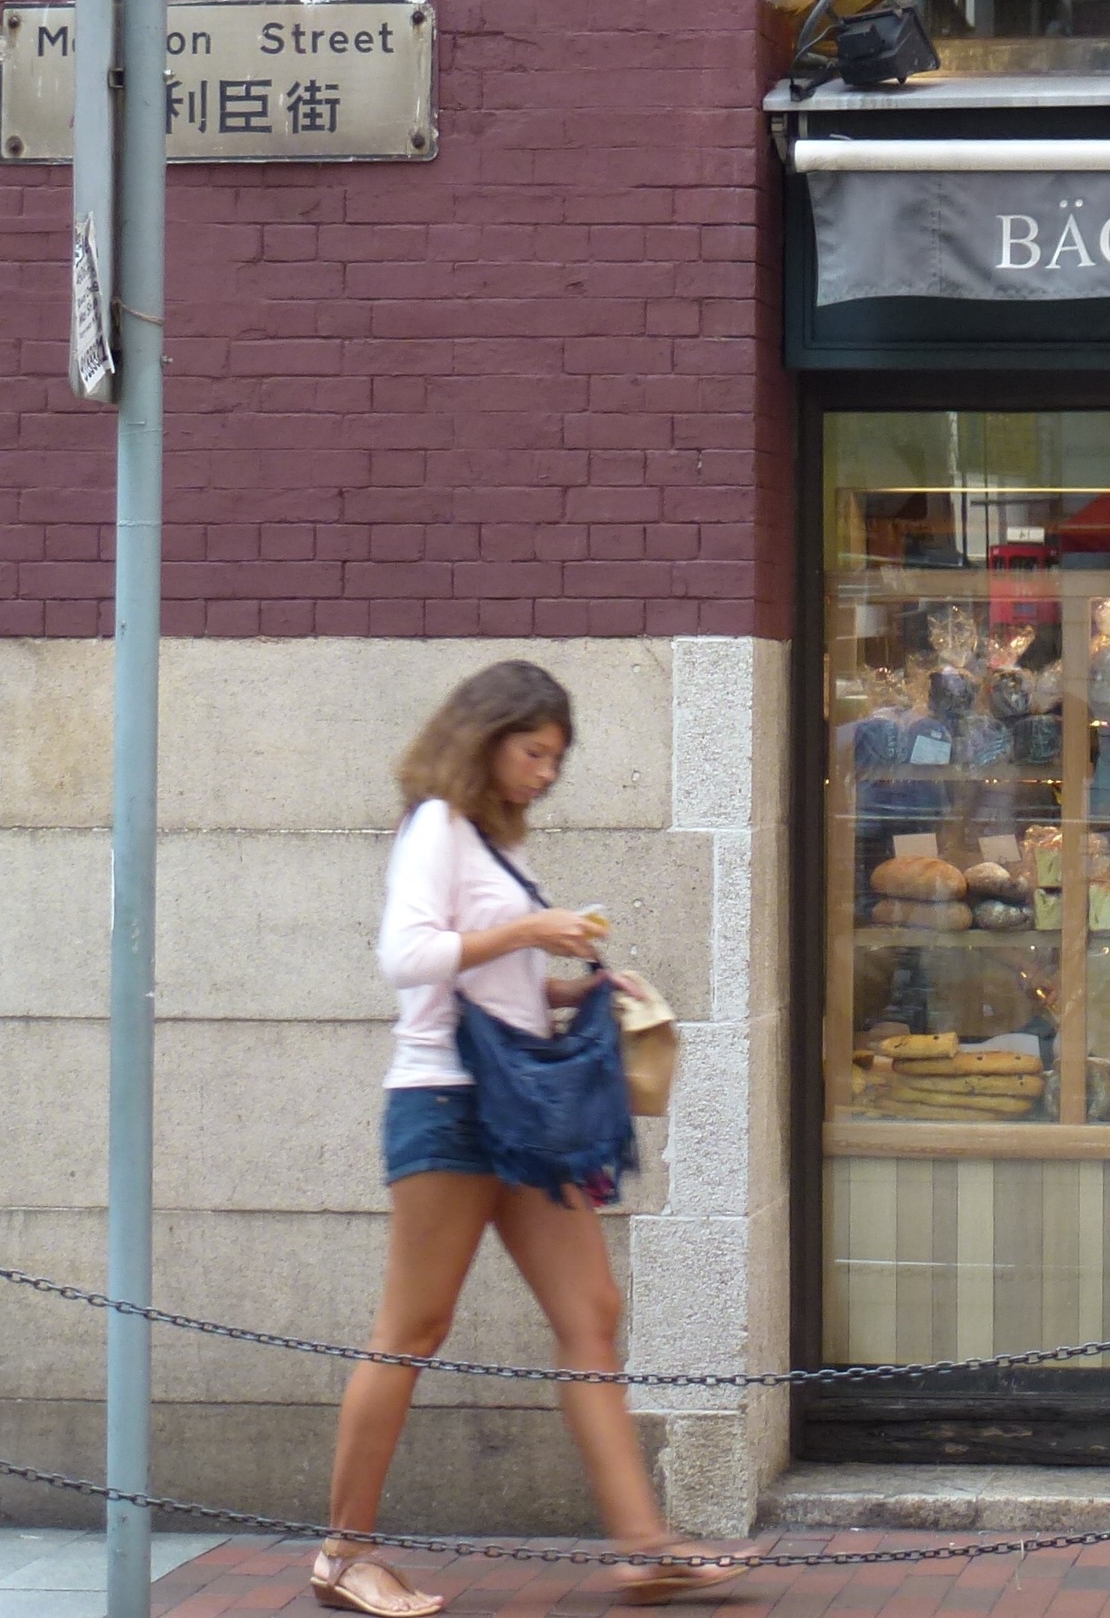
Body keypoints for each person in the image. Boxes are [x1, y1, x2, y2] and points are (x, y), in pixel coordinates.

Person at [315, 660, 742, 1616]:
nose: (546, 773)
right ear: (486, 736)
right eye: (534, 752)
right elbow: (406, 957)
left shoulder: (489, 845)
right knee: (414, 1326)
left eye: (557, 758)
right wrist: (532, 932)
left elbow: (488, 985)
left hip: (515, 1106)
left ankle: (644, 1547)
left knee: (592, 1310)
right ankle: (345, 1554)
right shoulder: (437, 827)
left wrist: (576, 989)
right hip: (449, 1103)